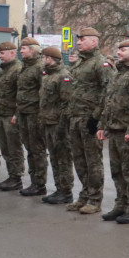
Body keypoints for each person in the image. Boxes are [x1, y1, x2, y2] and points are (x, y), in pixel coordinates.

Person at [66, 27, 115, 214]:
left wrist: (98, 118)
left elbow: (108, 92)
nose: (78, 42)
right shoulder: (80, 63)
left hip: (90, 118)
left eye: (83, 39)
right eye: (78, 39)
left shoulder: (101, 64)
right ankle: (84, 195)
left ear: (94, 41)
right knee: (79, 160)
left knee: (92, 160)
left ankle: (95, 199)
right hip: (75, 116)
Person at [98, 40, 129, 224]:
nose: (119, 52)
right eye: (118, 49)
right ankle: (121, 204)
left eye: (123, 49)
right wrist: (102, 125)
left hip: (127, 131)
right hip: (114, 129)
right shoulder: (117, 74)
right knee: (117, 171)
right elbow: (108, 102)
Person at [38, 46, 74, 203]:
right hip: (48, 121)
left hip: (58, 124)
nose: (42, 60)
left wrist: (62, 125)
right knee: (54, 157)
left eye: (43, 57)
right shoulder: (48, 76)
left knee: (63, 158)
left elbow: (67, 102)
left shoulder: (63, 76)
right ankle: (59, 189)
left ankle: (66, 191)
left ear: (49, 58)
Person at [14, 37, 48, 196]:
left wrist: (41, 113)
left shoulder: (39, 67)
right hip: (23, 112)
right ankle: (34, 181)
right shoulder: (25, 67)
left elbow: (44, 92)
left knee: (37, 149)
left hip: (34, 113)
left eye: (24, 48)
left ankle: (40, 183)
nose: (20, 51)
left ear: (32, 50)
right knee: (29, 148)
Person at [0, 41, 24, 191]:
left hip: (10, 115)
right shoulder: (3, 70)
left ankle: (16, 177)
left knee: (14, 147)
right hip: (1, 113)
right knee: (5, 147)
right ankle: (11, 175)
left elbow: (21, 94)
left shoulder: (17, 69)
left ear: (12, 53)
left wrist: (16, 114)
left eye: (2, 53)